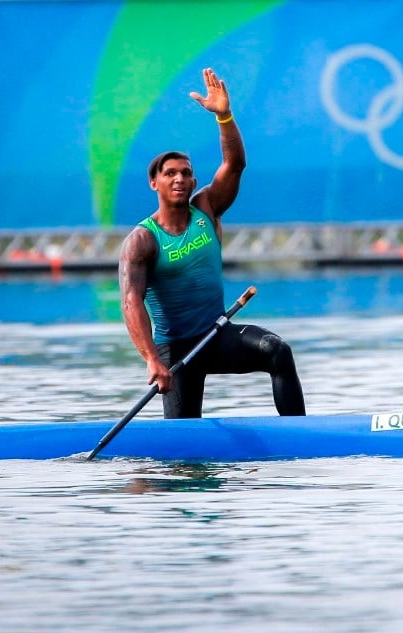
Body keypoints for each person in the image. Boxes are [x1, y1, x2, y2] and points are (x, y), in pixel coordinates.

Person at [119, 68, 306, 419]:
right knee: (182, 454)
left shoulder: (207, 208)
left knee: (277, 350)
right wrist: (152, 360)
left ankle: (298, 435)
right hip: (175, 352)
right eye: (170, 173)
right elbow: (131, 302)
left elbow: (235, 164)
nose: (180, 179)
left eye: (186, 173)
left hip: (217, 335)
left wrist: (224, 115)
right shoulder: (142, 240)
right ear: (153, 183)